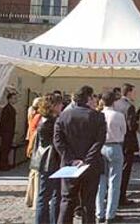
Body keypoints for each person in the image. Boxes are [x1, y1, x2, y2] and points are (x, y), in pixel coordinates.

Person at [54, 85, 106, 224]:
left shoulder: (63, 116)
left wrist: (72, 160)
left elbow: (58, 142)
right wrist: (86, 161)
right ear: (88, 98)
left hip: (69, 166)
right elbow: (99, 142)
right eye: (93, 97)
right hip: (91, 166)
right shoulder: (98, 117)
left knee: (67, 201)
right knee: (88, 204)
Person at [96, 91, 126, 222]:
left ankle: (99, 213)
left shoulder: (98, 115)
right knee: (114, 182)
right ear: (114, 101)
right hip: (115, 146)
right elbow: (123, 132)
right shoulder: (118, 115)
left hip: (100, 147)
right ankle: (110, 214)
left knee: (100, 181)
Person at [34, 93, 63, 224]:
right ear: (53, 106)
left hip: (49, 160)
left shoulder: (46, 120)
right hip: (50, 160)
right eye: (59, 104)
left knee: (51, 195)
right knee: (46, 196)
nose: (62, 106)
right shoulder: (50, 122)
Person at [114, 83, 139, 206]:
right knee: (125, 171)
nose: (135, 94)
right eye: (134, 92)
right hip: (127, 143)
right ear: (128, 92)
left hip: (116, 140)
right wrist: (139, 123)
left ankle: (114, 196)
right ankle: (121, 197)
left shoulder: (115, 104)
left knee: (114, 172)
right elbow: (131, 126)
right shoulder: (129, 106)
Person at [24, 97, 42, 208]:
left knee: (33, 174)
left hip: (32, 145)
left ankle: (29, 199)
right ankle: (35, 201)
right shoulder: (38, 117)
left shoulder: (32, 115)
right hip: (36, 148)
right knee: (37, 175)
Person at [0, 92, 17, 171]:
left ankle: (5, 164)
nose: (15, 100)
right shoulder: (7, 109)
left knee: (7, 148)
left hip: (9, 132)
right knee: (4, 149)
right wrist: (3, 132)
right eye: (13, 98)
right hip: (6, 132)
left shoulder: (11, 108)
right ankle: (2, 165)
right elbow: (3, 122)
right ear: (9, 99)